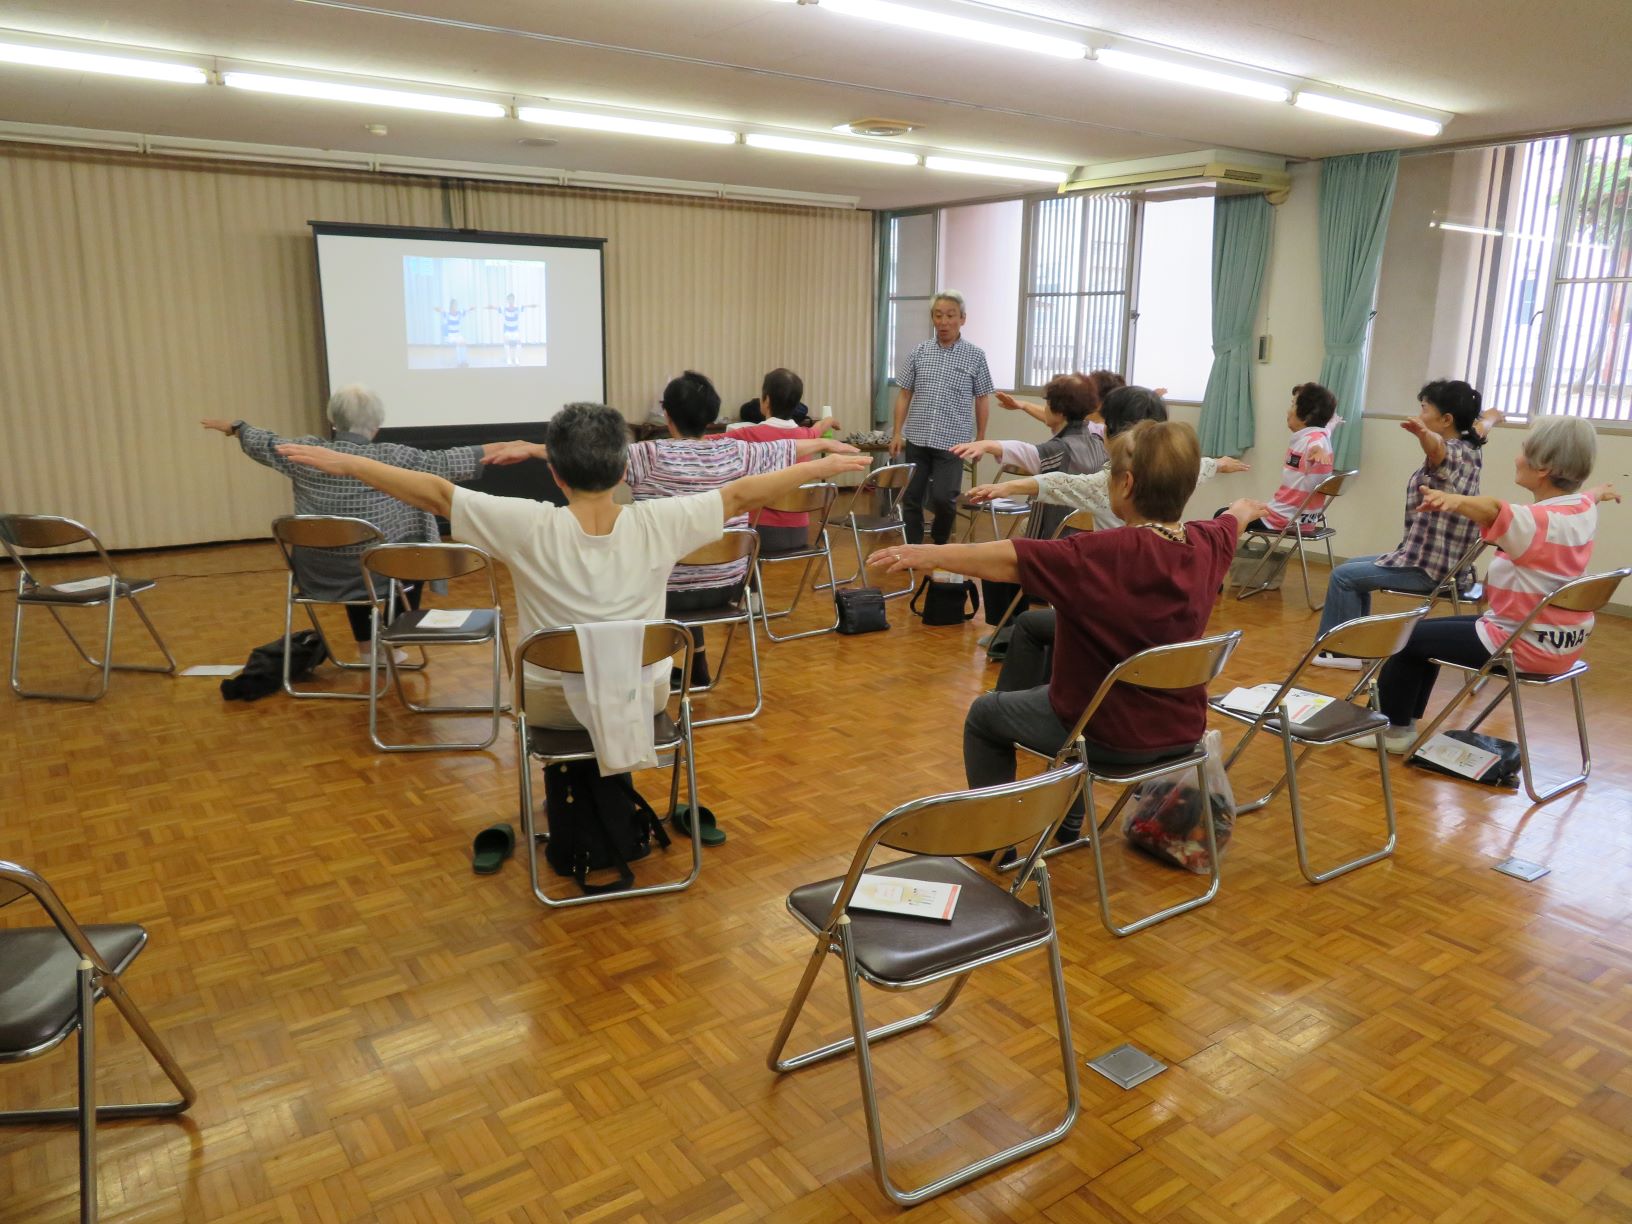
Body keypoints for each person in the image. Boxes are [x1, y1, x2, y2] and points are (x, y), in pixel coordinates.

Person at [276, 402, 871, 730]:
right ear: (624, 471)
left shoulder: (527, 525)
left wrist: (350, 463)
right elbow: (742, 494)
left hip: (548, 699)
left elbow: (434, 493)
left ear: (555, 473)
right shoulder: (662, 523)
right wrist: (822, 465)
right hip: (645, 696)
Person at [871, 420, 1266, 841]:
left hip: (1105, 734)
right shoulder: (1209, 543)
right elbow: (1233, 520)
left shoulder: (1098, 554)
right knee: (1045, 653)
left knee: (985, 715)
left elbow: (1006, 558)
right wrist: (1244, 508)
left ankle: (995, 842)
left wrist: (928, 553)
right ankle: (1068, 822)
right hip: (1182, 731)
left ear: (1126, 484)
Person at [1357, 415, 1618, 752]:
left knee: (1406, 637)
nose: (1516, 457)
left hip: (1521, 645)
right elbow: (1587, 496)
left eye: (1523, 450)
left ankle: (1392, 731)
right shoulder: (1581, 509)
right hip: (1559, 643)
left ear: (1544, 468)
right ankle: (1400, 723)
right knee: (1422, 632)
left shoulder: (1536, 522)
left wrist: (1455, 501)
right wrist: (1600, 492)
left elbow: (1494, 508)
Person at [201, 386, 534, 645]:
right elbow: (445, 462)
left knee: (356, 547)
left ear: (333, 421)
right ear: (376, 425)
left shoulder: (305, 453)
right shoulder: (393, 456)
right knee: (412, 545)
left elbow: (264, 442)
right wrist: (508, 447)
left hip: (318, 574)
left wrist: (236, 428)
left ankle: (364, 646)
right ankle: (395, 639)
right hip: (380, 574)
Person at [1313, 380, 1500, 668]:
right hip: (1438, 563)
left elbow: (1438, 450)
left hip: (1427, 569)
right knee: (1351, 569)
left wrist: (1424, 434)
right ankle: (1356, 645)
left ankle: (1340, 652)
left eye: (1424, 409)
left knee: (1343, 576)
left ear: (1446, 419)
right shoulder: (1472, 444)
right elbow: (1481, 427)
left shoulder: (1451, 452)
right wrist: (1491, 417)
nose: (1420, 414)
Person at [964, 386, 1249, 532]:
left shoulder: (1114, 480)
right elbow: (1201, 467)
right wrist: (1223, 473)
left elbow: (1060, 483)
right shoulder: (1178, 469)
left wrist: (1008, 486)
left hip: (1114, 582)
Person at [891, 290, 994, 544]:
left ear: (962, 319)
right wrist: (896, 432)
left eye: (950, 315)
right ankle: (913, 548)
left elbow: (982, 398)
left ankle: (939, 545)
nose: (944, 322)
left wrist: (981, 439)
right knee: (911, 497)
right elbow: (904, 394)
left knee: (944, 498)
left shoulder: (975, 355)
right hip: (918, 438)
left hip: (953, 442)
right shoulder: (919, 351)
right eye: (938, 315)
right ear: (932, 318)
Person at [729, 368, 845, 554]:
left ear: (766, 400)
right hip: (800, 533)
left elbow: (706, 441)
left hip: (759, 533)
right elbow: (819, 427)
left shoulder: (747, 434)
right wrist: (830, 420)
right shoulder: (806, 435)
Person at [1248, 383, 1339, 534]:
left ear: (1307, 416)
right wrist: (1332, 423)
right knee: (1241, 509)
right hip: (1304, 519)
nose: (1288, 411)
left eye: (1292, 405)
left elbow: (1315, 444)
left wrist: (1318, 451)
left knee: (1226, 515)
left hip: (1282, 519)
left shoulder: (1312, 440)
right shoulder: (1322, 434)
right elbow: (1326, 430)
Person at [486, 293, 539, 366]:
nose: (511, 301)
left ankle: (516, 358)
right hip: (507, 329)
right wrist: (490, 307)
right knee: (506, 343)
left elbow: (525, 306)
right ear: (508, 300)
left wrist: (533, 305)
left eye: (512, 299)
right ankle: (508, 359)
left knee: (519, 343)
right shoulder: (504, 309)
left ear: (514, 300)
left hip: (515, 329)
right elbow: (496, 308)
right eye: (509, 299)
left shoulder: (518, 308)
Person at [433, 299, 474, 367]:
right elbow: (439, 310)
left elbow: (466, 310)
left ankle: (464, 361)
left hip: (458, 334)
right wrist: (437, 308)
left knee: (463, 342)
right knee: (459, 343)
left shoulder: (459, 313)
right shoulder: (447, 313)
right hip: (450, 335)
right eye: (454, 305)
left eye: (456, 305)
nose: (455, 306)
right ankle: (460, 362)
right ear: (451, 306)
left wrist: (471, 308)